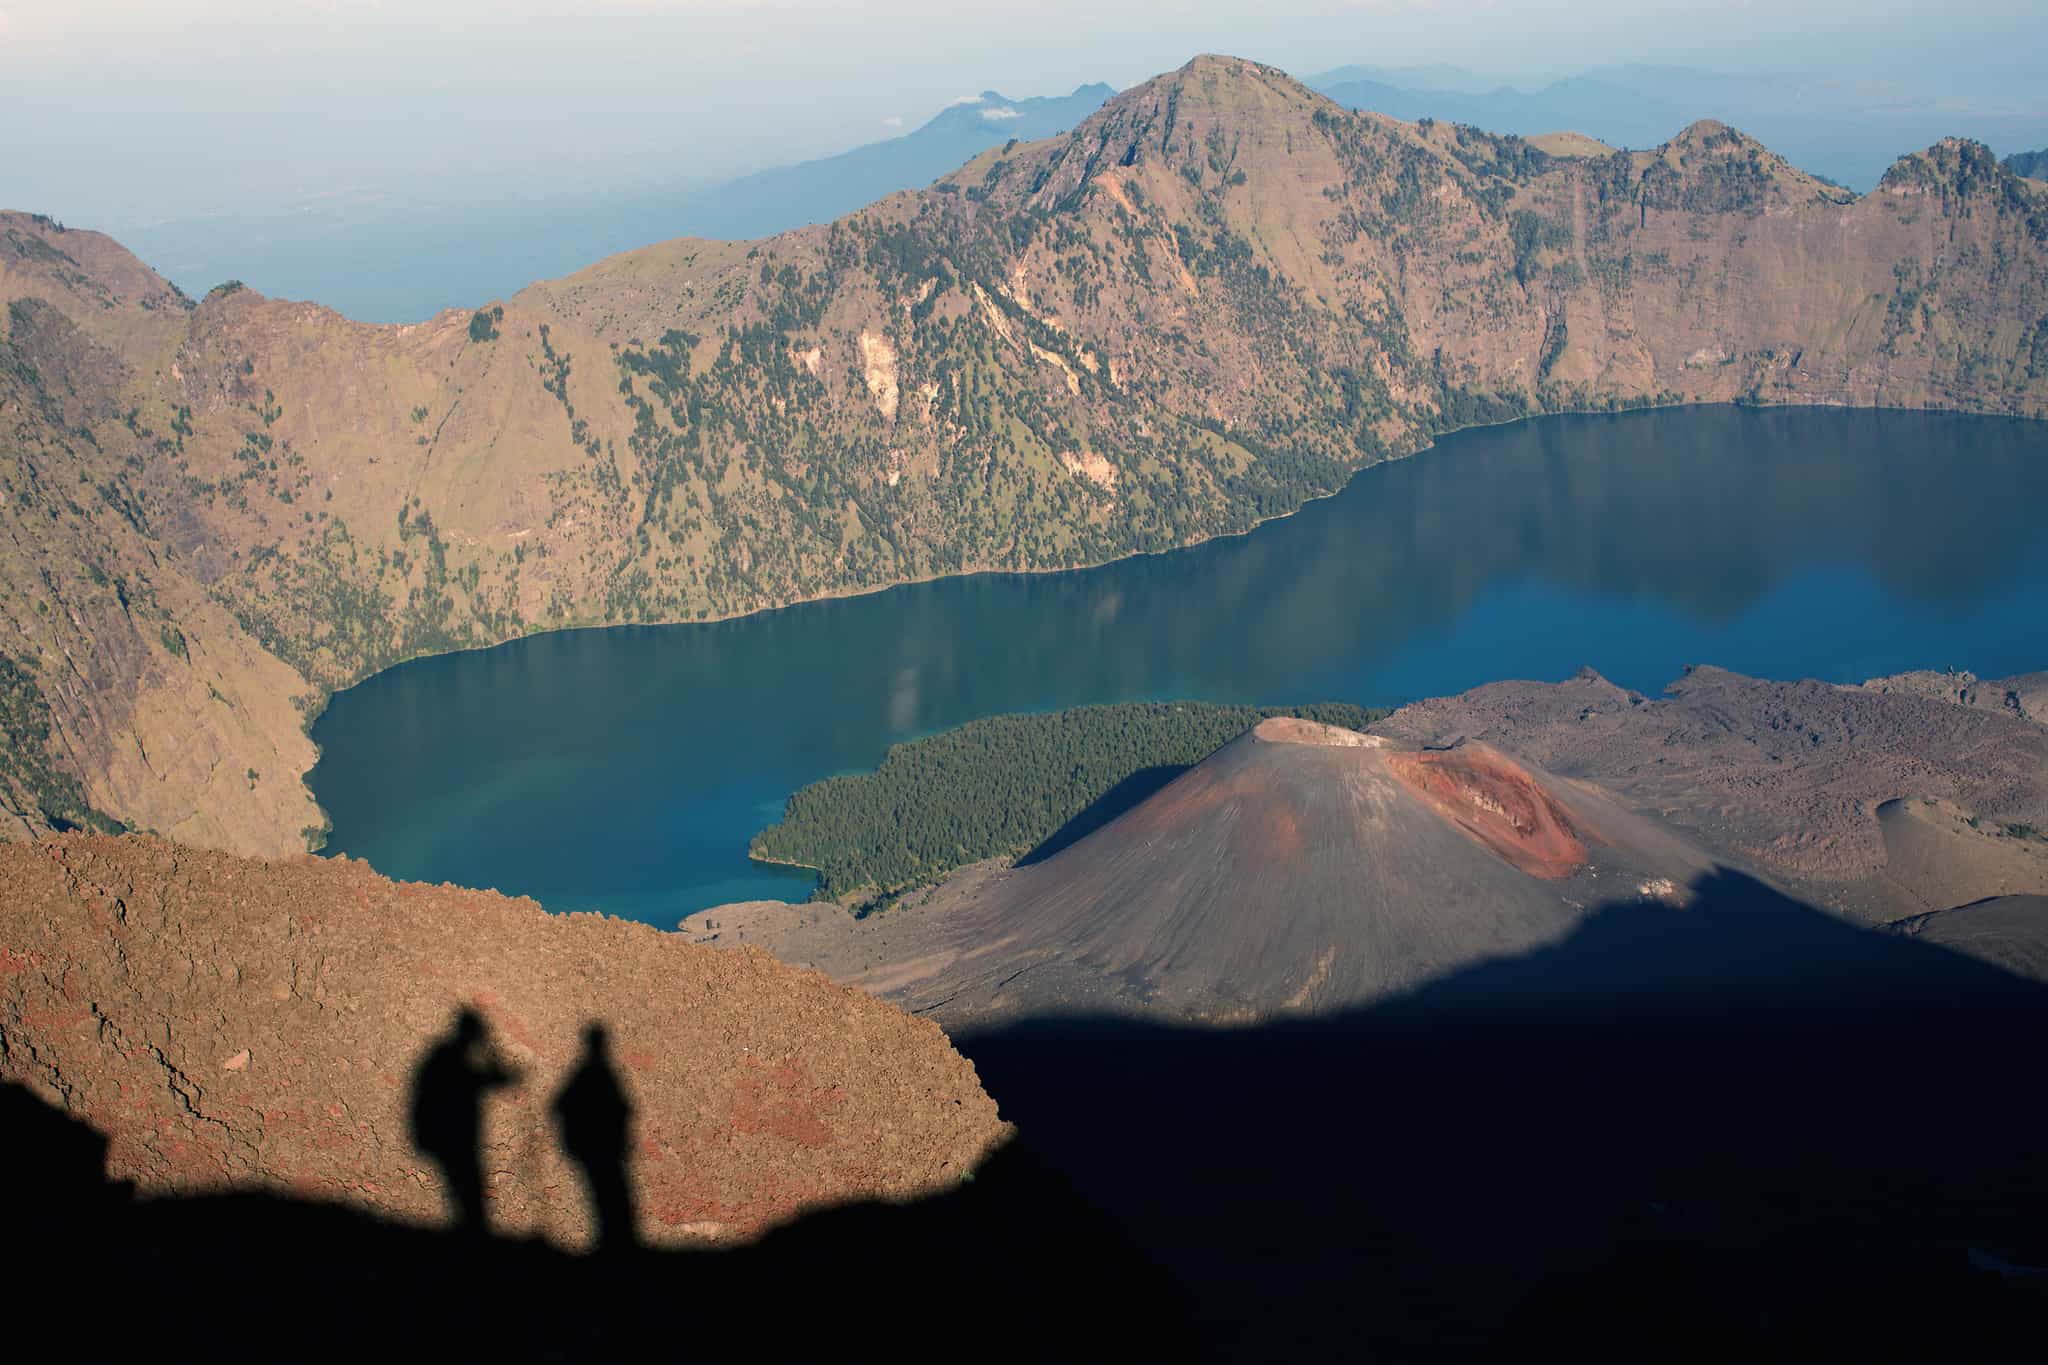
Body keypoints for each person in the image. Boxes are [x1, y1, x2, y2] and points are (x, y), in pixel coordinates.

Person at [409, 1007, 520, 1234]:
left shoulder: (440, 1055)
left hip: (440, 1135)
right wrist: (498, 1063)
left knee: (458, 1186)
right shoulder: (454, 1060)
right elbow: (490, 1079)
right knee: (467, 1188)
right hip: (456, 1136)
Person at [552, 1023, 637, 1251]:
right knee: (609, 1194)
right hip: (599, 1147)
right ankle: (612, 1242)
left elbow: (559, 1106)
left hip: (591, 1146)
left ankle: (609, 1240)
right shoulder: (597, 1073)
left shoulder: (586, 1073)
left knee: (604, 1193)